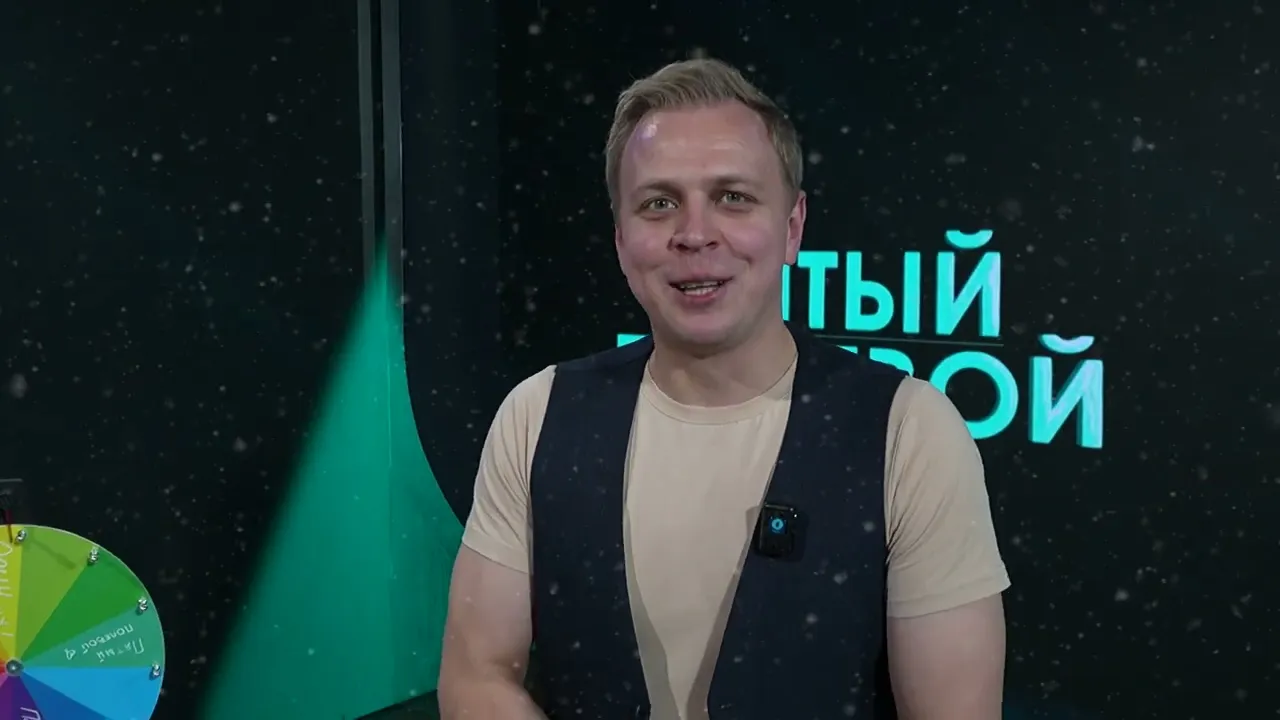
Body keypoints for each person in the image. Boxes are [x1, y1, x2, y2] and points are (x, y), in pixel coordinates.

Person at [438, 57, 1009, 720]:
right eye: (659, 203)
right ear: (621, 240)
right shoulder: (537, 416)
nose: (695, 234)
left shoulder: (909, 432)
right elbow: (478, 677)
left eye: (732, 197)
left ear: (792, 228)